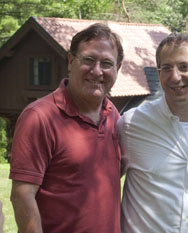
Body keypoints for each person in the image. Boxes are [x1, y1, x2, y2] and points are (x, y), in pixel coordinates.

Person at [9, 23, 123, 233]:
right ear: (71, 61)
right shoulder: (40, 117)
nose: (97, 71)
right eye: (88, 60)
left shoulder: (113, 115)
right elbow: (22, 195)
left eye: (107, 63)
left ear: (117, 69)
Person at [118, 33, 188, 232]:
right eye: (166, 68)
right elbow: (102, 186)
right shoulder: (132, 124)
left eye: (184, 67)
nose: (174, 76)